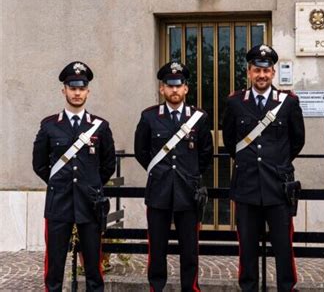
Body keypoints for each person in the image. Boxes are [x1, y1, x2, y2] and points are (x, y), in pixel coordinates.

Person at [222, 44, 305, 291]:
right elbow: (230, 141)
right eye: (257, 70)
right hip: (246, 186)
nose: (262, 75)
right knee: (247, 247)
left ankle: (286, 288)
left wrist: (277, 163)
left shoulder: (288, 102)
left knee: (283, 247)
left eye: (266, 70)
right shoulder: (236, 102)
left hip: (278, 187)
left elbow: (297, 141)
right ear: (248, 72)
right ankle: (248, 288)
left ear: (273, 73)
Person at [32, 61, 116, 292]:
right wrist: (58, 185)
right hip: (59, 204)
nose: (77, 93)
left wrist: (90, 185)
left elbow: (108, 164)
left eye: (81, 88)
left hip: (90, 204)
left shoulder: (100, 127)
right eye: (72, 88)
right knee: (54, 266)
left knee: (93, 268)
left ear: (88, 91)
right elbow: (39, 164)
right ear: (64, 91)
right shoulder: (49, 126)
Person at [134, 61, 213, 292]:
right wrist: (158, 172)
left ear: (186, 88)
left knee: (189, 250)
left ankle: (190, 288)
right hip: (159, 192)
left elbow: (206, 152)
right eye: (170, 86)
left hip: (188, 194)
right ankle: (156, 288)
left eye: (179, 85)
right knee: (157, 249)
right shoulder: (149, 117)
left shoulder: (198, 118)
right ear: (162, 89)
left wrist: (191, 176)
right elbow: (141, 151)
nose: (174, 90)